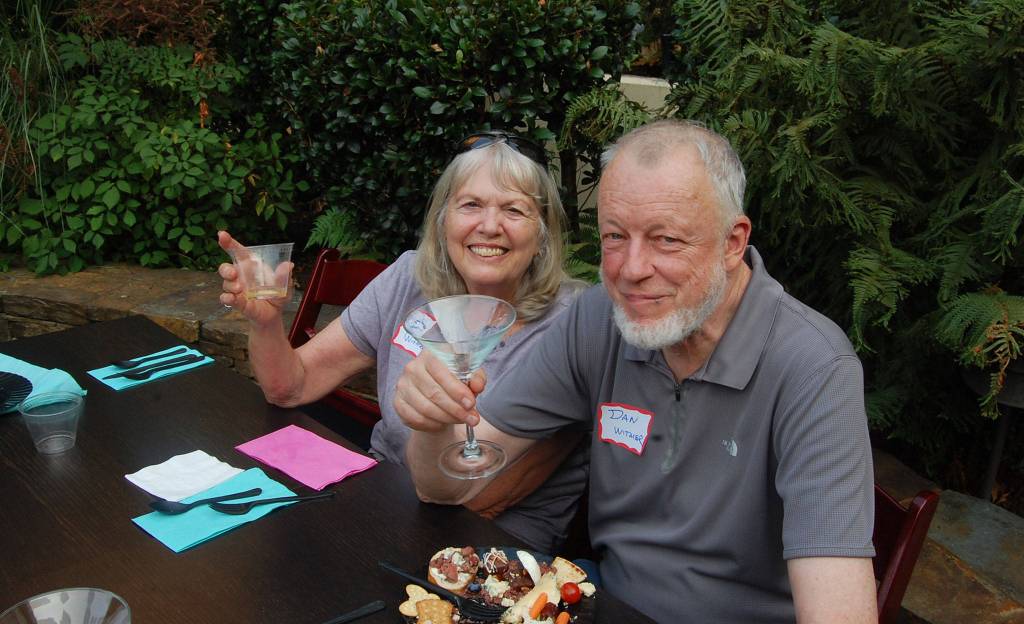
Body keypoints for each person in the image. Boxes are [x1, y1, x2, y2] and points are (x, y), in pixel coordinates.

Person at [394, 120, 878, 623]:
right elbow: (443, 489)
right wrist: (431, 424)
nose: (631, 269)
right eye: (615, 236)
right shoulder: (599, 319)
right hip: (603, 602)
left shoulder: (813, 367)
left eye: (666, 239)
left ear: (733, 243)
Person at [216, 131, 589, 554]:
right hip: (380, 508)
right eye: (470, 205)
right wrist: (266, 324)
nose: (489, 226)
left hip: (488, 550)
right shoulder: (409, 279)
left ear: (543, 234)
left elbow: (485, 502)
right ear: (443, 220)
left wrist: (360, 536)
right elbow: (291, 387)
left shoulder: (573, 326)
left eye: (514, 210)